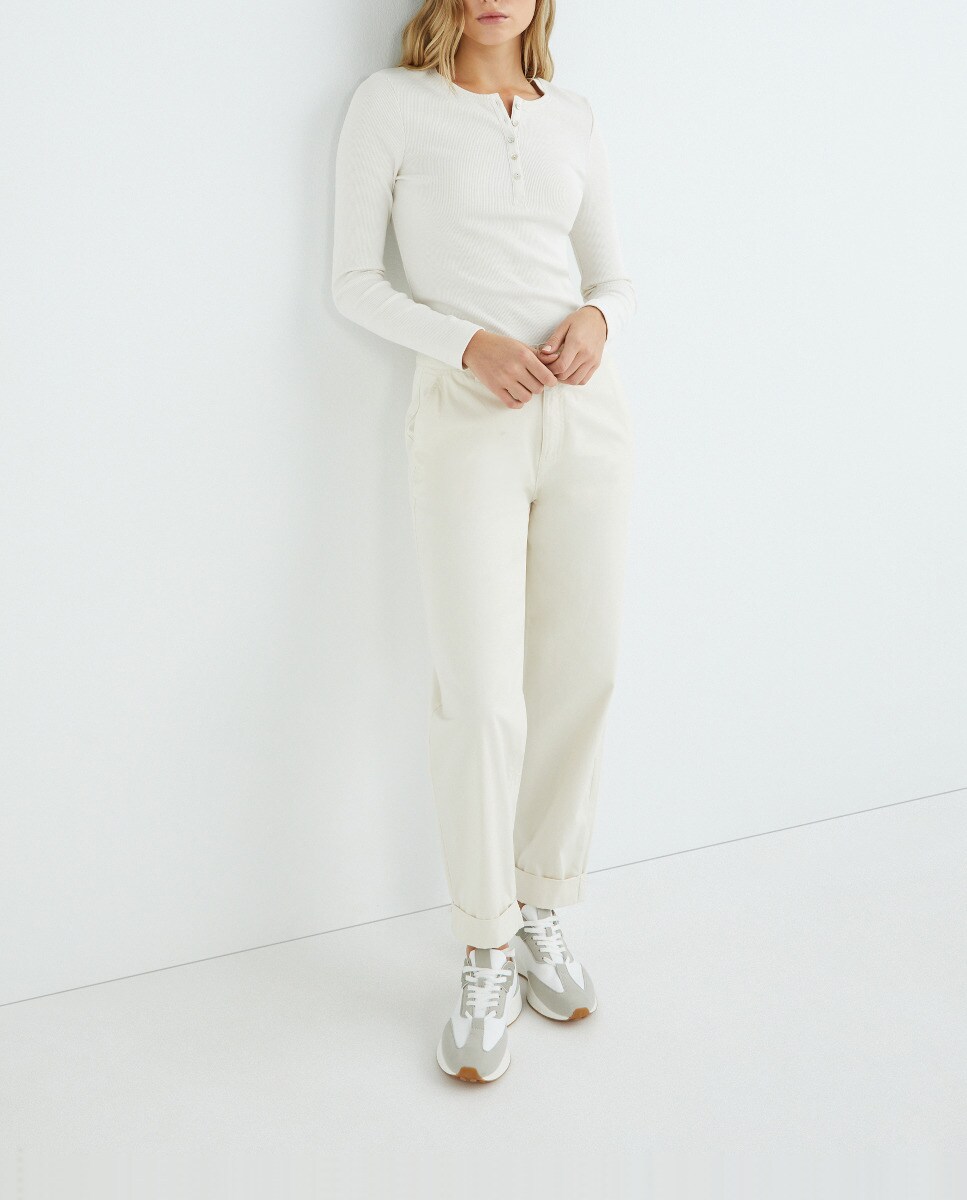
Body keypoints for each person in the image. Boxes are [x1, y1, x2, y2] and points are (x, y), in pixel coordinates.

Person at [331, 0, 636, 1083]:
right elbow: (353, 282)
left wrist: (597, 319)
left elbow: (611, 276)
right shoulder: (392, 105)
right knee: (479, 695)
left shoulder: (572, 115)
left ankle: (542, 903)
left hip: (585, 421)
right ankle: (485, 944)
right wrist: (468, 343)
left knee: (580, 674)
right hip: (467, 420)